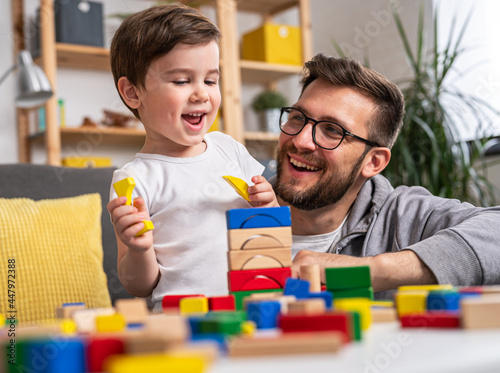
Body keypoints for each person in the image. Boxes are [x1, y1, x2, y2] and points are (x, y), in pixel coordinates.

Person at [273, 53, 500, 299]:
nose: (301, 141)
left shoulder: (405, 217)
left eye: (331, 130)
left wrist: (371, 270)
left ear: (373, 162)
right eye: (297, 118)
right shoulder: (234, 202)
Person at [106, 3, 278, 310]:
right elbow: (139, 285)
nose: (201, 94)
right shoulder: (134, 181)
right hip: (181, 321)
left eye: (210, 80)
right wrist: (138, 249)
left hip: (254, 307)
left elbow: (269, 238)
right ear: (133, 93)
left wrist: (267, 206)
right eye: (182, 81)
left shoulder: (229, 148)